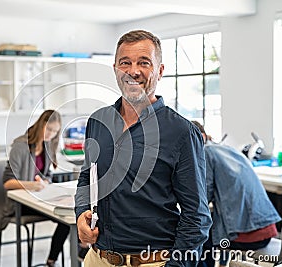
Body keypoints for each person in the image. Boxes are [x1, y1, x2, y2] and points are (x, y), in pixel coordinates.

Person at [74, 30, 212, 267]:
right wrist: (80, 214)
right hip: (98, 259)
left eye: (143, 63)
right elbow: (88, 177)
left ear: (159, 71)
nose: (133, 71)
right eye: (125, 62)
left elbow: (196, 217)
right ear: (115, 68)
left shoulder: (181, 132)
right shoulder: (98, 122)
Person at [191, 121, 281, 267]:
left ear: (200, 137)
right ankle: (222, 264)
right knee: (214, 224)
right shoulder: (226, 149)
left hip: (250, 235)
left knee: (201, 235)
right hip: (268, 229)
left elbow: (203, 198)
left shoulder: (205, 153)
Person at [0, 110, 69, 267]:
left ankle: (51, 260)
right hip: (19, 204)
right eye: (49, 129)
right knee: (65, 216)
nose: (51, 134)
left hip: (39, 199)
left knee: (69, 217)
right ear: (41, 124)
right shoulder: (21, 145)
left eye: (55, 131)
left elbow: (47, 176)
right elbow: (7, 183)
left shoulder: (48, 146)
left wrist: (44, 182)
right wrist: (32, 185)